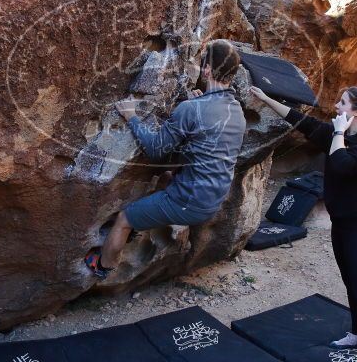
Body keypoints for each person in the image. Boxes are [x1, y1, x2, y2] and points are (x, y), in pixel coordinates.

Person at [252, 84, 357, 362]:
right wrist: (266, 99)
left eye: (342, 103)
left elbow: (341, 163)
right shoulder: (344, 135)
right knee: (350, 281)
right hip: (342, 222)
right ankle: (356, 333)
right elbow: (304, 122)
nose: (336, 107)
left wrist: (339, 133)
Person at [85, 40, 246, 279]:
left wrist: (131, 116)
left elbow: (155, 149)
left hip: (188, 202)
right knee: (166, 177)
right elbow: (208, 136)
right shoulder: (237, 111)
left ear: (208, 70)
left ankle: (102, 267)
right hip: (214, 198)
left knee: (124, 218)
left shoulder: (192, 109)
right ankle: (145, 219)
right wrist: (195, 103)